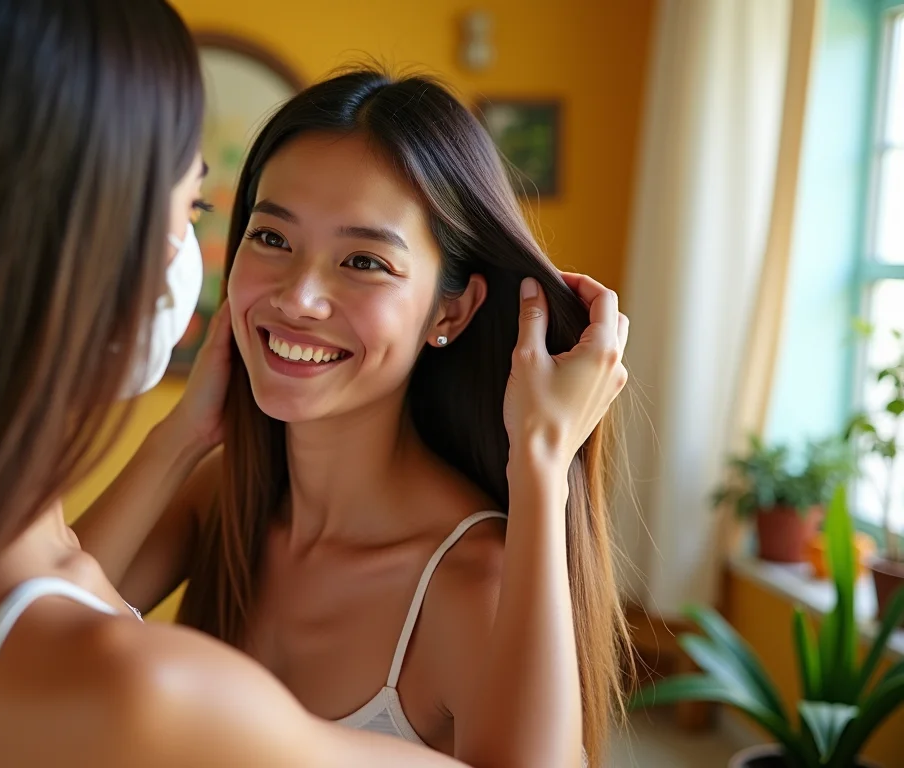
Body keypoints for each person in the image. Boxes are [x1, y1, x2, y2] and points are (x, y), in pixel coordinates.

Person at [0, 3, 514, 766]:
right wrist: (544, 459)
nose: (296, 297)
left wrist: (178, 435)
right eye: (194, 214)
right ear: (69, 251)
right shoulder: (143, 689)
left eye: (364, 259)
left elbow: (69, 576)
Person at [75, 70, 631, 766]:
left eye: (364, 260)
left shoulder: (472, 585)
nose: (299, 298)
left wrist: (542, 459)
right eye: (271, 238)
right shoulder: (220, 497)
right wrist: (182, 434)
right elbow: (15, 643)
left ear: (449, 311)